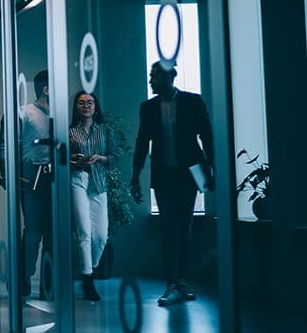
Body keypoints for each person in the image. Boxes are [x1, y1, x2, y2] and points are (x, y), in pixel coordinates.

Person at [130, 63, 215, 307]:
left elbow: (207, 137)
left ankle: (182, 281)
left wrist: (213, 170)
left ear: (169, 77)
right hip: (164, 176)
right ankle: (172, 282)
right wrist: (136, 177)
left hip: (189, 174)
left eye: (153, 76)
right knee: (168, 230)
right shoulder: (148, 107)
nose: (150, 81)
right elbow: (141, 143)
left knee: (184, 229)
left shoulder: (192, 102)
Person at [0, 70, 53, 299]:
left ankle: (48, 285)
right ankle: (23, 279)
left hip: (54, 178)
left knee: (52, 232)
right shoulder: (24, 113)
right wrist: (9, 176)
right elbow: (3, 146)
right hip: (31, 178)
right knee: (33, 231)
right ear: (47, 90)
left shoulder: (58, 115)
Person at [68, 91, 118, 302]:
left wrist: (101, 158)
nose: (86, 105)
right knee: (84, 232)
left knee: (101, 236)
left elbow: (115, 156)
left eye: (90, 102)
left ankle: (90, 268)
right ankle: (88, 279)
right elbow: (62, 158)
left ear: (95, 106)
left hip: (98, 183)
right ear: (76, 107)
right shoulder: (69, 131)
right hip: (78, 180)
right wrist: (74, 159)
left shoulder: (105, 130)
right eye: (81, 103)